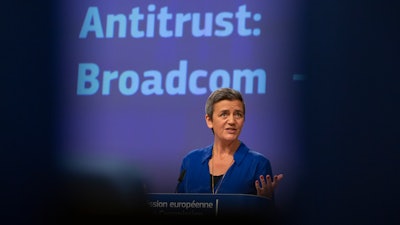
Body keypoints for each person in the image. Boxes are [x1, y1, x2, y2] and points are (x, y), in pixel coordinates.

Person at [175, 87, 283, 199]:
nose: (232, 121)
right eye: (224, 114)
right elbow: (176, 207)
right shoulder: (191, 161)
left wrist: (263, 203)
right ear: (209, 120)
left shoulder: (258, 164)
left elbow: (267, 214)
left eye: (238, 114)